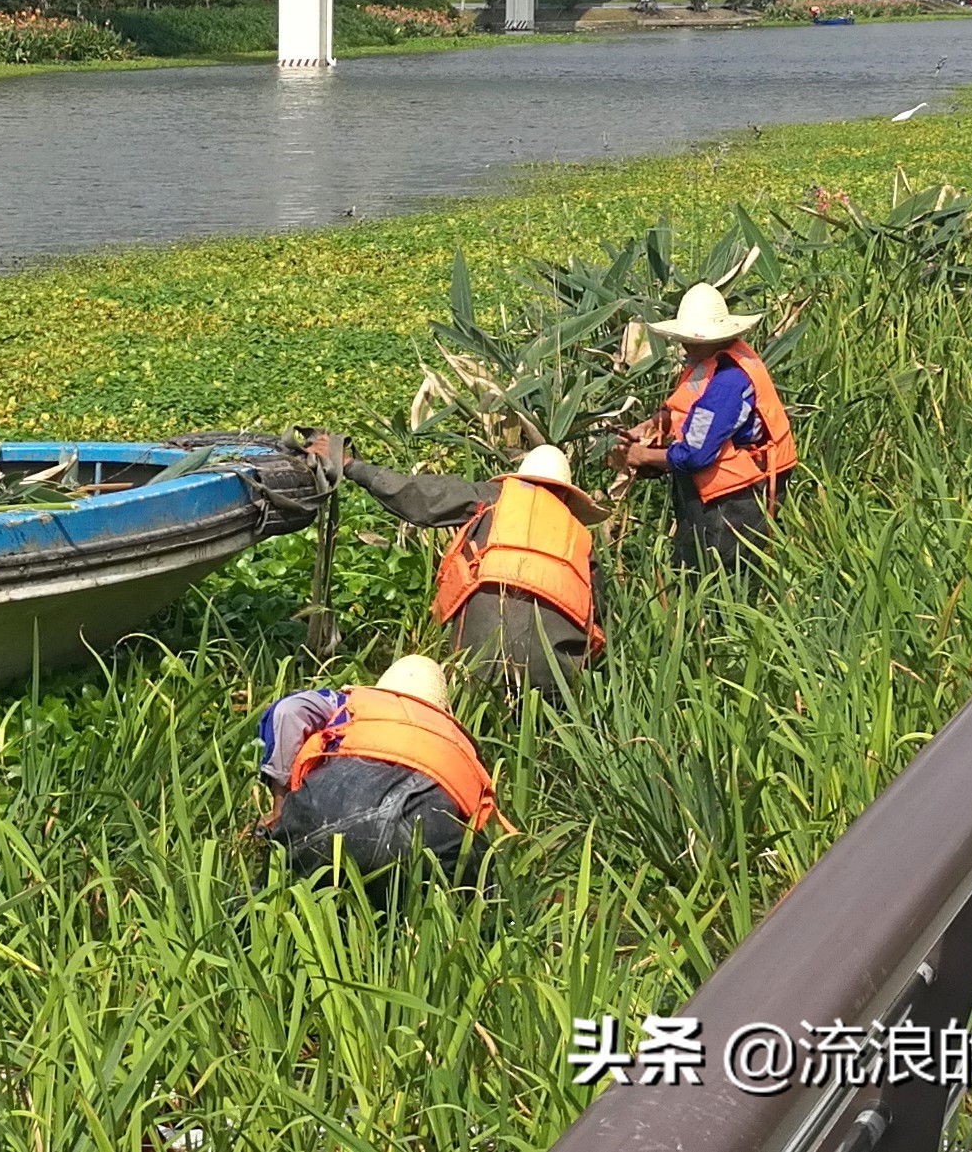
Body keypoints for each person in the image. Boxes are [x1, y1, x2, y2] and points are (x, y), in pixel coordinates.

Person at [341, 442, 605, 691]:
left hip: (480, 660)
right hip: (554, 673)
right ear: (566, 496)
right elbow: (598, 613)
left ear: (518, 478)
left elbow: (419, 494)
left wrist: (352, 466)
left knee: (471, 701)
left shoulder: (493, 497)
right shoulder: (581, 538)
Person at [251, 653, 496, 877]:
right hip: (420, 835)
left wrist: (280, 809)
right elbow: (475, 816)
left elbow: (287, 711)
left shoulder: (351, 705)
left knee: (280, 887)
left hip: (326, 811)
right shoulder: (454, 740)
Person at [611, 281, 797, 573]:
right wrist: (650, 426)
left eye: (693, 339)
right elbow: (684, 407)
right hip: (716, 490)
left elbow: (695, 454)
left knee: (712, 573)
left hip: (735, 499)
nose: (686, 345)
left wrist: (643, 456)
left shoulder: (727, 382)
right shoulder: (709, 360)